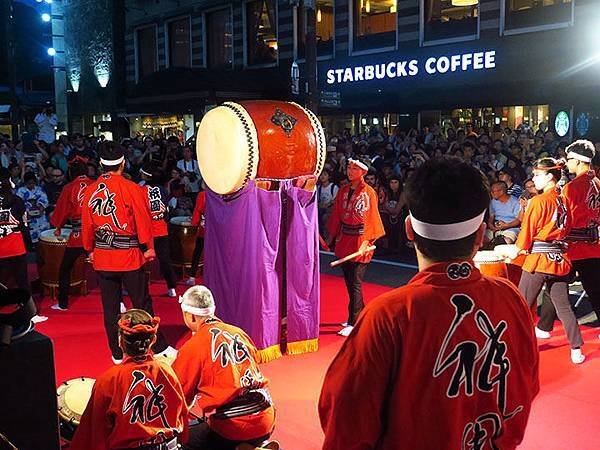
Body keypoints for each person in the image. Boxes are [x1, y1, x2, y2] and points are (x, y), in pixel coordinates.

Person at [319, 157, 539, 450]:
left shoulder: (389, 314)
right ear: (479, 234)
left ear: (409, 230)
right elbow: (527, 387)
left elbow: (345, 422)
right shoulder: (510, 298)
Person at [82, 143, 176, 363]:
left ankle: (116, 352)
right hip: (129, 256)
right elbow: (143, 220)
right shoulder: (131, 187)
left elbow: (87, 225)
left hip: (104, 255)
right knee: (142, 303)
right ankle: (159, 347)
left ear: (102, 165)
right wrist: (149, 247)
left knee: (110, 308)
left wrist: (89, 249)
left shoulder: (90, 190)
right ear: (123, 163)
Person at [172, 286, 277, 450]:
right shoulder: (239, 333)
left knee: (182, 442)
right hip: (266, 417)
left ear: (190, 316)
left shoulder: (193, 346)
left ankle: (240, 446)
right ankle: (253, 446)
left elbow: (179, 397)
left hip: (233, 427)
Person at [70, 309, 188, 450]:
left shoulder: (108, 380)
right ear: (153, 340)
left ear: (120, 341)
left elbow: (92, 435)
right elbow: (183, 416)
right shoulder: (167, 371)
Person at [508, 158, 585, 364]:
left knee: (521, 305)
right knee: (564, 306)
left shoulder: (538, 201)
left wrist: (516, 250)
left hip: (539, 260)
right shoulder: (565, 200)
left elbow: (526, 234)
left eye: (537, 175)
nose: (534, 179)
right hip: (559, 260)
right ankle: (576, 349)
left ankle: (515, 347)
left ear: (550, 176)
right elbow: (567, 230)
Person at [536, 140, 600, 338]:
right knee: (593, 288)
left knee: (555, 280)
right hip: (594, 243)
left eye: (570, 159)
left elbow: (565, 220)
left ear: (579, 161)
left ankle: (544, 327)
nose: (568, 163)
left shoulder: (572, 188)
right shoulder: (597, 182)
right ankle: (544, 326)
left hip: (574, 245)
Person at [326, 158, 385, 337]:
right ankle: (357, 313)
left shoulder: (368, 193)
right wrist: (331, 238)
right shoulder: (343, 190)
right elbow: (336, 215)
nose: (350, 171)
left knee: (355, 283)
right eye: (349, 168)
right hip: (345, 239)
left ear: (363, 173)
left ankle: (354, 321)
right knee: (349, 281)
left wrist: (368, 241)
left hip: (361, 239)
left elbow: (372, 217)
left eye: (354, 169)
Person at [49, 162, 93, 310]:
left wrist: (58, 227)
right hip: (97, 232)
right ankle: (119, 303)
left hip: (78, 234)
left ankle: (63, 304)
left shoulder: (68, 188)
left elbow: (62, 210)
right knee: (106, 268)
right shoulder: (96, 184)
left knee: (65, 268)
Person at [140, 163, 177, 298]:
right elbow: (166, 209)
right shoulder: (162, 189)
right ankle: (171, 287)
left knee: (141, 260)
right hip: (161, 228)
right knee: (165, 259)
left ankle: (140, 289)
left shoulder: (141, 190)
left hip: (147, 230)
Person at [0, 169, 30, 291]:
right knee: (22, 281)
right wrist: (28, 245)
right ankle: (30, 309)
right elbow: (25, 225)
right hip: (16, 245)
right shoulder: (17, 200)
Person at [16, 172, 49, 244]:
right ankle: (31, 245)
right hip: (27, 214)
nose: (31, 185)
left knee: (43, 223)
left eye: (32, 183)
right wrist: (26, 211)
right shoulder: (20, 191)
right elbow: (19, 203)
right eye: (29, 183)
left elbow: (44, 200)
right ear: (25, 183)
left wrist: (41, 208)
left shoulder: (39, 189)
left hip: (39, 213)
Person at [486, 181, 521, 245]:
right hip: (496, 227)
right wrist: (490, 225)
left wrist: (506, 225)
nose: (491, 193)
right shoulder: (493, 202)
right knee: (483, 238)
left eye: (493, 191)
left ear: (501, 191)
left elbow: (518, 220)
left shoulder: (515, 202)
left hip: (511, 228)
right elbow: (491, 217)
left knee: (507, 240)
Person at [185, 189, 206, 286]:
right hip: (218, 230)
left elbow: (198, 210)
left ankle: (192, 277)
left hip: (204, 229)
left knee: (197, 253)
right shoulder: (222, 193)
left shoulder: (203, 194)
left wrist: (194, 223)